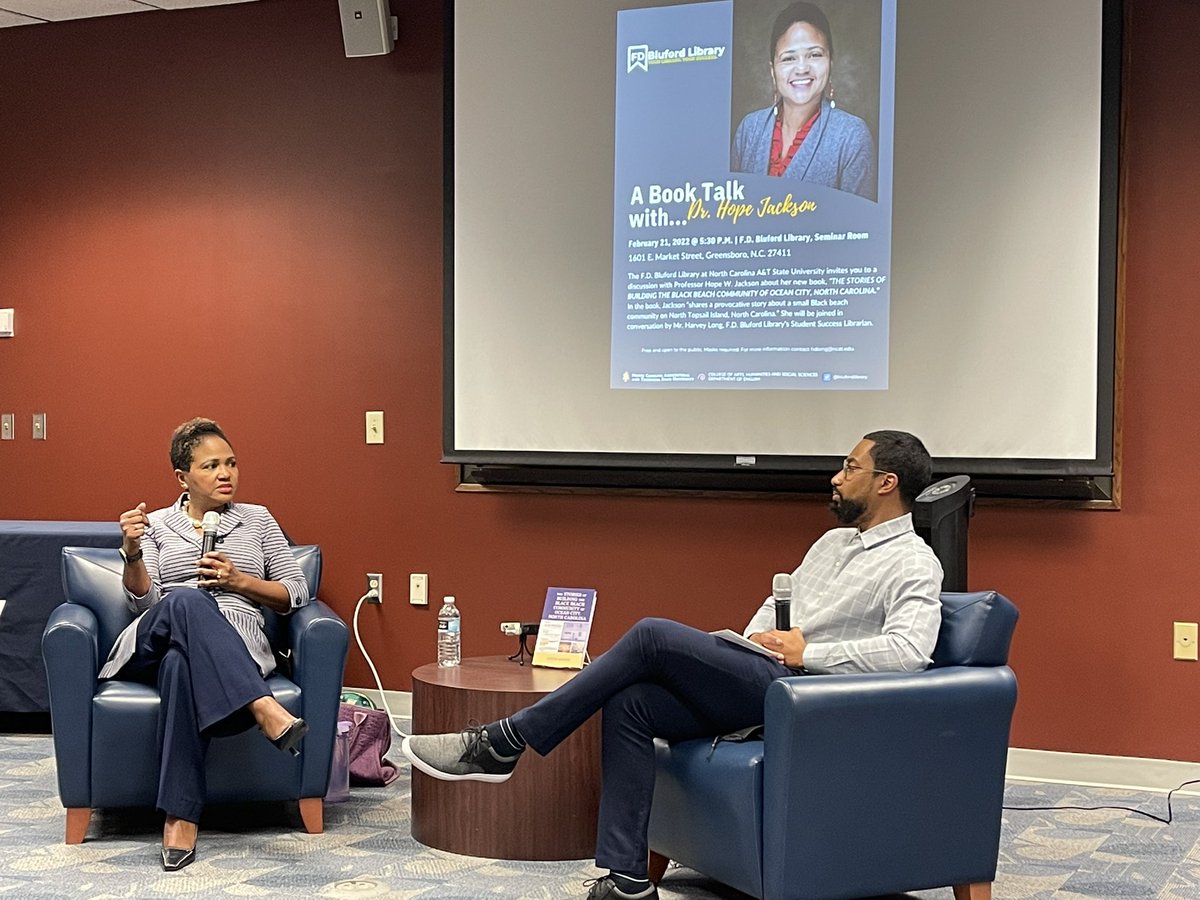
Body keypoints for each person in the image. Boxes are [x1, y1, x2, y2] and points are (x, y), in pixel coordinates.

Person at [403, 430, 943, 900]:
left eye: (850, 467)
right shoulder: (831, 543)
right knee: (632, 702)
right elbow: (779, 603)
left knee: (652, 635)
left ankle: (503, 743)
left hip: (806, 693)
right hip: (764, 670)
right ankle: (627, 881)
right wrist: (758, 633)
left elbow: (909, 652)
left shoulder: (914, 562)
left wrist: (810, 653)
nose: (836, 477)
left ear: (886, 482)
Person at [101, 417, 312, 871]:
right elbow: (145, 603)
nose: (226, 474)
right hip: (153, 637)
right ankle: (265, 709)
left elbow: (296, 592)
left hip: (233, 646)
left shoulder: (258, 519)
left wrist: (240, 581)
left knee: (182, 666)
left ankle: (180, 818)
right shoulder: (155, 523)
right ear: (183, 477)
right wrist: (132, 552)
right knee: (188, 603)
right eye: (212, 465)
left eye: (232, 463)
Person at [731, 1, 877, 200]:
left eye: (814, 55)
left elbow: (860, 225)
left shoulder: (852, 136)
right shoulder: (749, 130)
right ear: (772, 70)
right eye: (788, 58)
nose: (802, 68)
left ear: (830, 63)